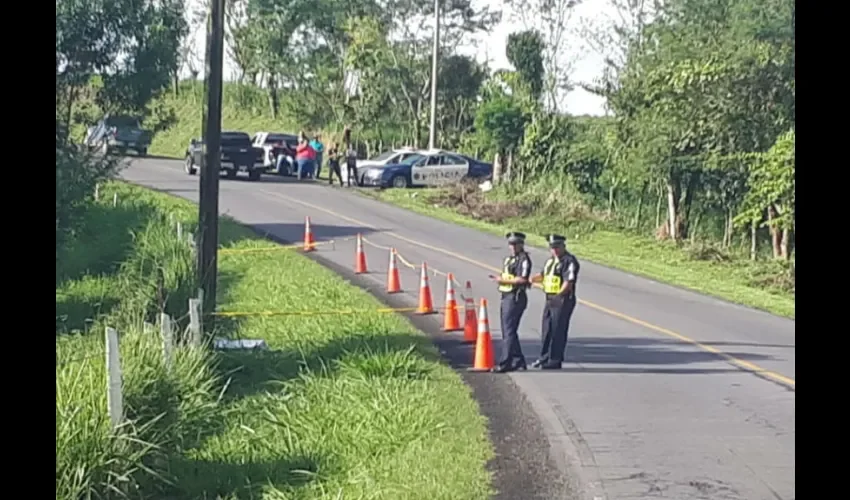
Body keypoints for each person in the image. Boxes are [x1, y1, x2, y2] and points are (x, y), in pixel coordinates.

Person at [531, 234, 580, 370]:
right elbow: (543, 276)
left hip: (563, 299)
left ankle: (555, 360)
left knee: (558, 330)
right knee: (547, 329)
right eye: (552, 247)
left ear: (563, 246)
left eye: (557, 247)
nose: (555, 250)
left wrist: (559, 295)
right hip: (550, 298)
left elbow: (568, 282)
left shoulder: (569, 261)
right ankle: (544, 357)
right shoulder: (550, 261)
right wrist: (531, 280)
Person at [488, 231, 532, 373]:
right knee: (508, 330)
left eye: (515, 244)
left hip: (516, 297)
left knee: (508, 330)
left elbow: (522, 279)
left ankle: (505, 362)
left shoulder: (523, 259)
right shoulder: (508, 259)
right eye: (510, 244)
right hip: (506, 295)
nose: (512, 247)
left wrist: (502, 280)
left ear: (521, 245)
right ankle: (518, 360)